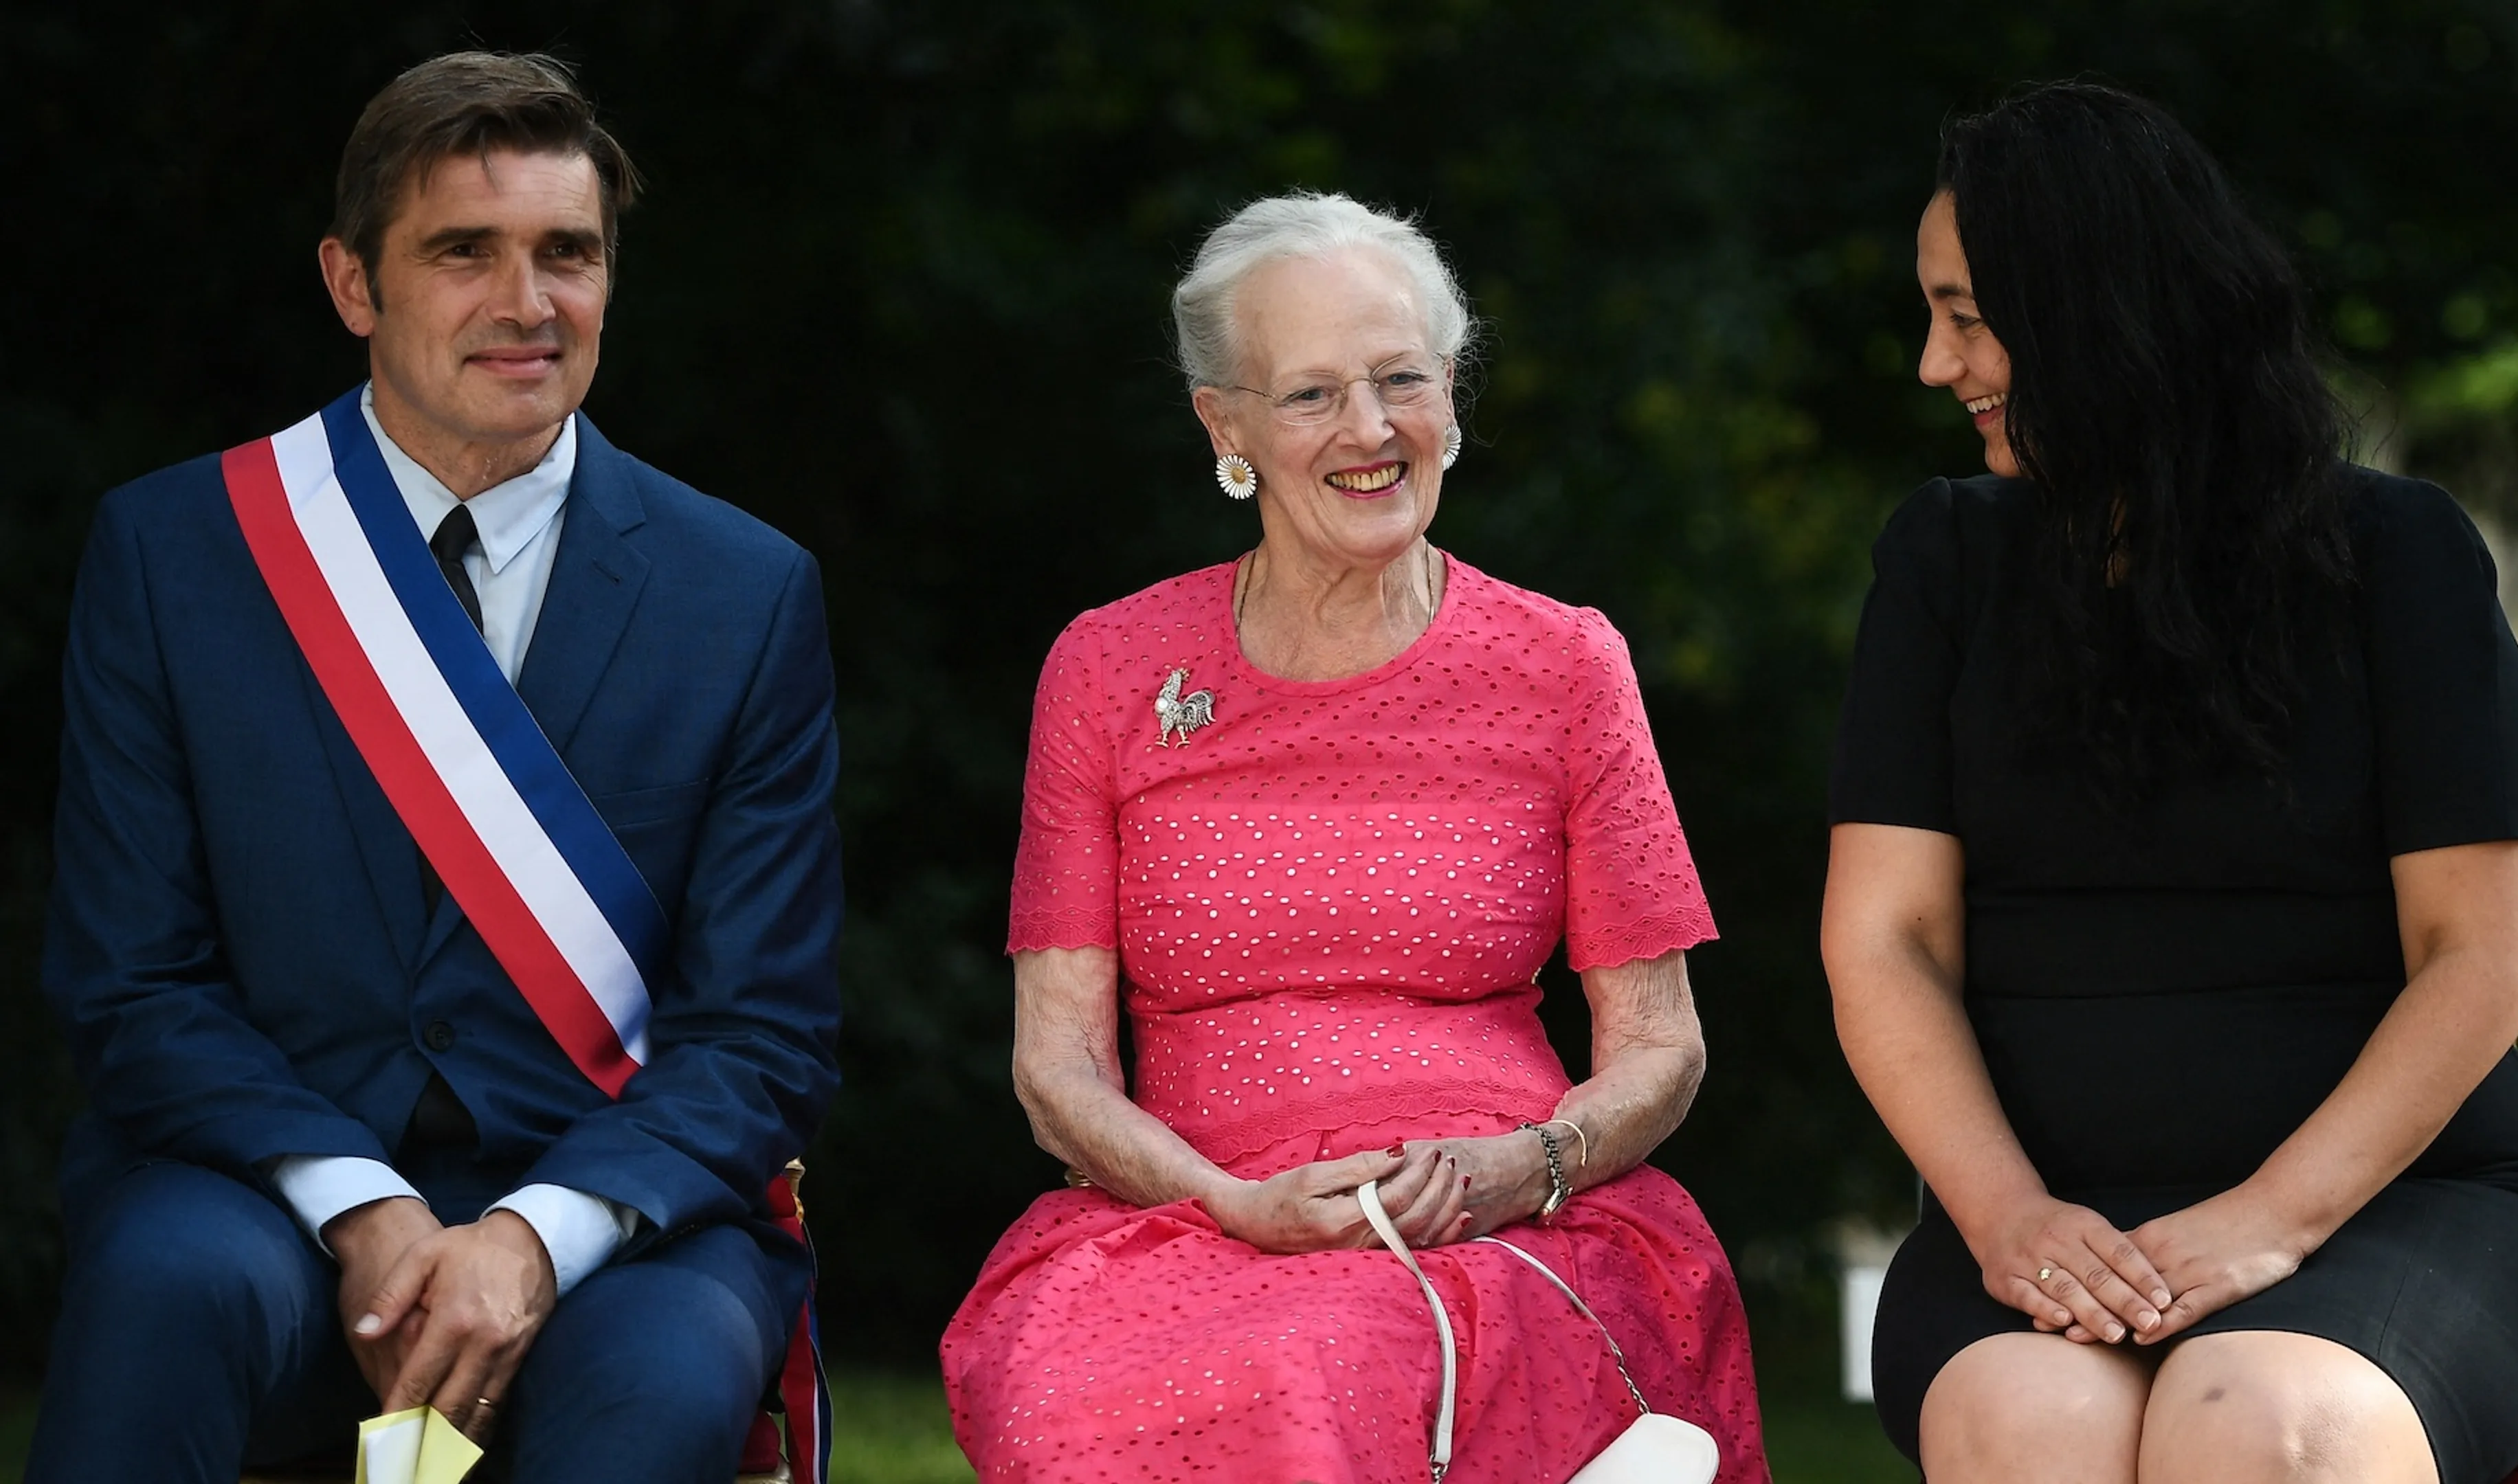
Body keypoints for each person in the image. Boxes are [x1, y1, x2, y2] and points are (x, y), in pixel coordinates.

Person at [28, 52, 841, 1483]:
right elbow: (133, 979)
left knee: (660, 1388)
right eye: (465, 251)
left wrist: (534, 1236)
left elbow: (760, 1033)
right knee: (166, 1294)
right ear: (355, 285)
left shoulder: (745, 589)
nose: (528, 305)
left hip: (616, 1220)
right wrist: (365, 1209)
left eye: (567, 255)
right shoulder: (176, 556)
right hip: (262, 1192)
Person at [1820, 82, 2518, 1484]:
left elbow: (2486, 948)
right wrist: (2006, 1217)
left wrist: (2273, 1218)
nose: (1934, 364)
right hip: (2044, 1213)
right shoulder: (1945, 559)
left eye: (1967, 313)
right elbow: (1886, 937)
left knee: (2262, 1421)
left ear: (2097, 310)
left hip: (2401, 1206)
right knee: (2031, 1425)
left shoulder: (2401, 555)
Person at [940, 192, 1768, 1482]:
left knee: (1334, 1359)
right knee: (1073, 1392)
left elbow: (1662, 1047)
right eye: (1312, 396)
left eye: (1401, 380)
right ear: (1227, 426)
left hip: (1500, 1219)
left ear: (1452, 392)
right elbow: (1058, 1070)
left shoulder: (1565, 663)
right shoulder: (1108, 669)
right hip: (1194, 1211)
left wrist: (1525, 1167)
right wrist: (1232, 1205)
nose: (1371, 432)